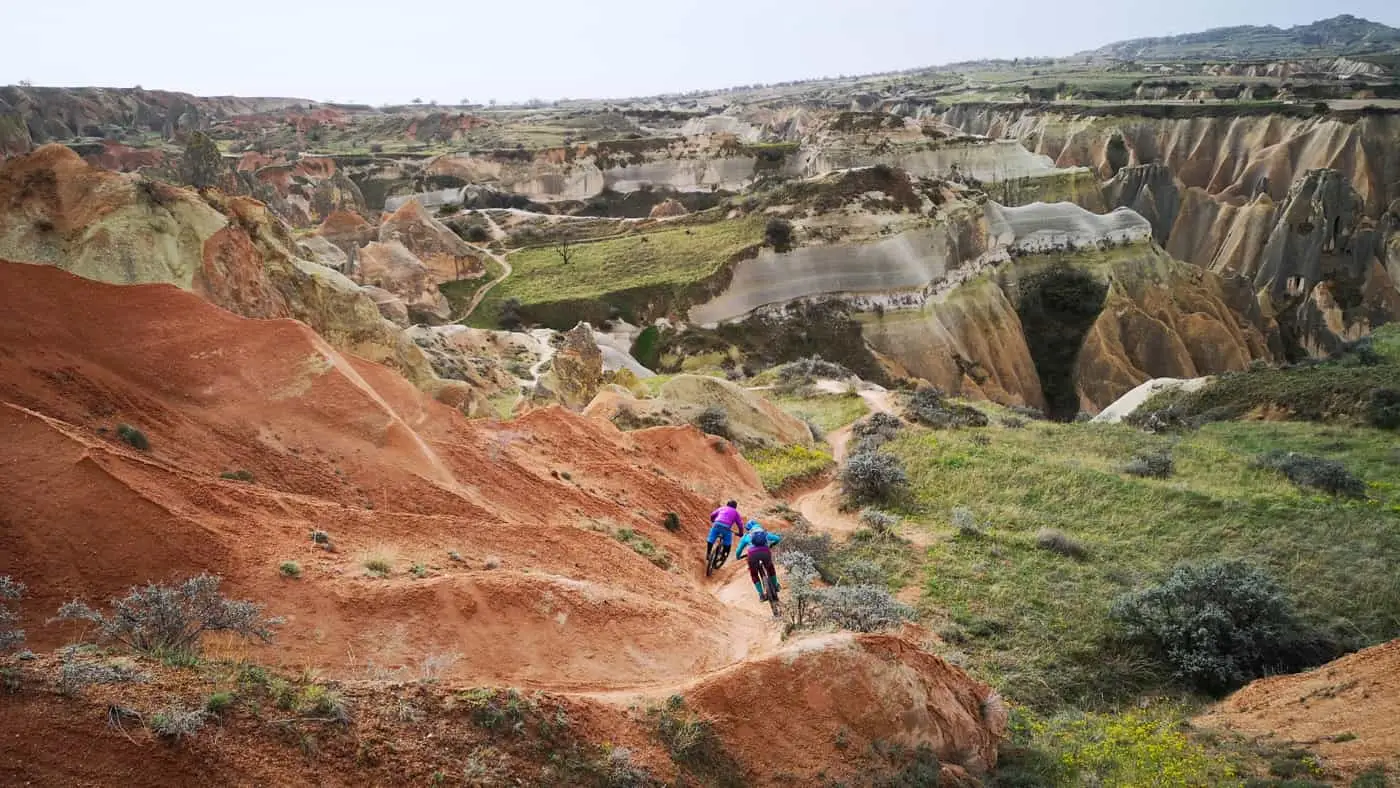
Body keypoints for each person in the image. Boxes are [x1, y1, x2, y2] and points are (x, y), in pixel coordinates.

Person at [735, 520, 782, 601]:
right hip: (765, 552)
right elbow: (777, 539)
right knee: (770, 568)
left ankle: (761, 595)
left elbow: (738, 550)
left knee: (754, 574)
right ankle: (776, 586)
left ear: (748, 529)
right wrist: (772, 544)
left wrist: (738, 557)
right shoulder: (764, 533)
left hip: (752, 554)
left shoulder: (746, 536)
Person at [707, 500, 744, 565]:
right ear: (735, 507)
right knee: (727, 542)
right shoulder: (735, 512)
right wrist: (740, 533)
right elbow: (740, 524)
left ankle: (708, 553)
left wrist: (713, 520)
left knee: (711, 538)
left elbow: (712, 514)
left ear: (727, 504)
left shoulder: (722, 508)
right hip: (726, 528)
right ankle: (724, 555)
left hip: (716, 524)